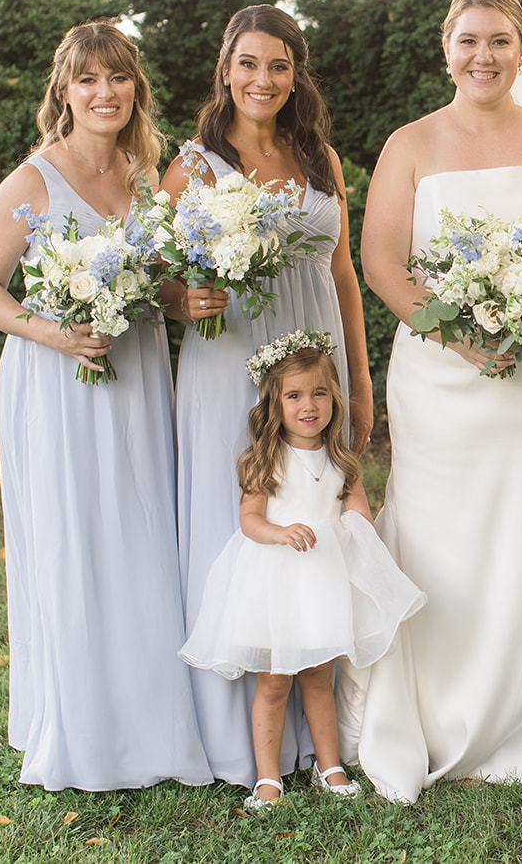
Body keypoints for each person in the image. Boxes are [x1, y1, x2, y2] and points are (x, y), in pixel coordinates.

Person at [346, 0, 522, 803]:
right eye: (469, 40)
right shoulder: (411, 142)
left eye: (499, 40)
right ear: (445, 48)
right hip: (441, 378)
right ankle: (444, 706)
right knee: (445, 534)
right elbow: (382, 262)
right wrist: (459, 335)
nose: (484, 55)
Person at [0, 20, 211, 790]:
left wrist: (187, 301)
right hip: (58, 379)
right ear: (63, 92)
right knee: (76, 537)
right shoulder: (33, 181)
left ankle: (146, 720)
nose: (105, 93)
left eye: (118, 78)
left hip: (135, 374)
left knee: (139, 534)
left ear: (135, 88)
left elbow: (155, 288)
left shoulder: (143, 179)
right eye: (88, 81)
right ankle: (80, 727)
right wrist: (53, 333)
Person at [160, 5, 373, 787]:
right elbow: (159, 270)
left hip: (314, 351)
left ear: (296, 74)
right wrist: (183, 300)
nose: (263, 79)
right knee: (244, 520)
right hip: (231, 359)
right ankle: (238, 738)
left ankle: (322, 732)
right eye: (249, 63)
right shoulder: (194, 164)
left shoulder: (318, 157)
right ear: (225, 68)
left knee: (315, 518)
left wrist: (360, 372)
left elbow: (343, 273)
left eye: (279, 65)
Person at [178, 331, 424, 809]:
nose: (308, 405)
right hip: (276, 584)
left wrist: (357, 530)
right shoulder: (264, 459)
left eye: (319, 393)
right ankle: (267, 778)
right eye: (294, 395)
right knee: (273, 683)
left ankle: (328, 763)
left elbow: (358, 515)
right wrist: (281, 532)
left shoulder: (341, 460)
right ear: (275, 404)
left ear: (334, 398)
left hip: (323, 581)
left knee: (318, 676)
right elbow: (249, 520)